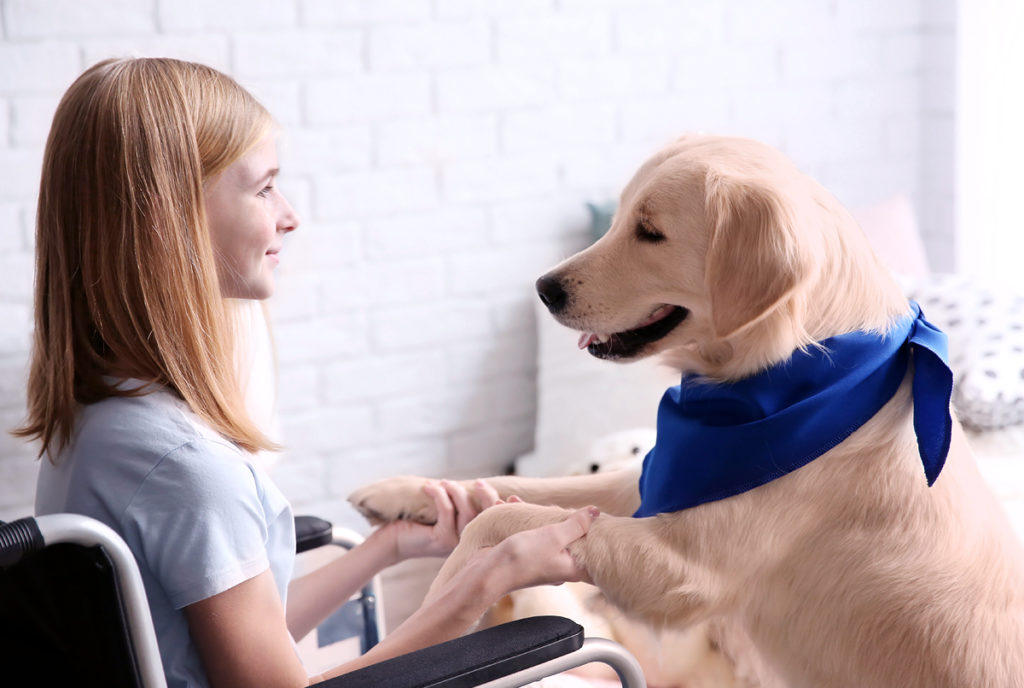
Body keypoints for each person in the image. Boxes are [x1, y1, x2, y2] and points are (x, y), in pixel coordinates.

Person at [15, 57, 596, 688]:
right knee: (594, 675)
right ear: (168, 220)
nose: (289, 215)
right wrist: (490, 574)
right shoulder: (186, 469)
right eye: (264, 188)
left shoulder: (99, 424)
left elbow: (218, 641)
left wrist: (389, 548)